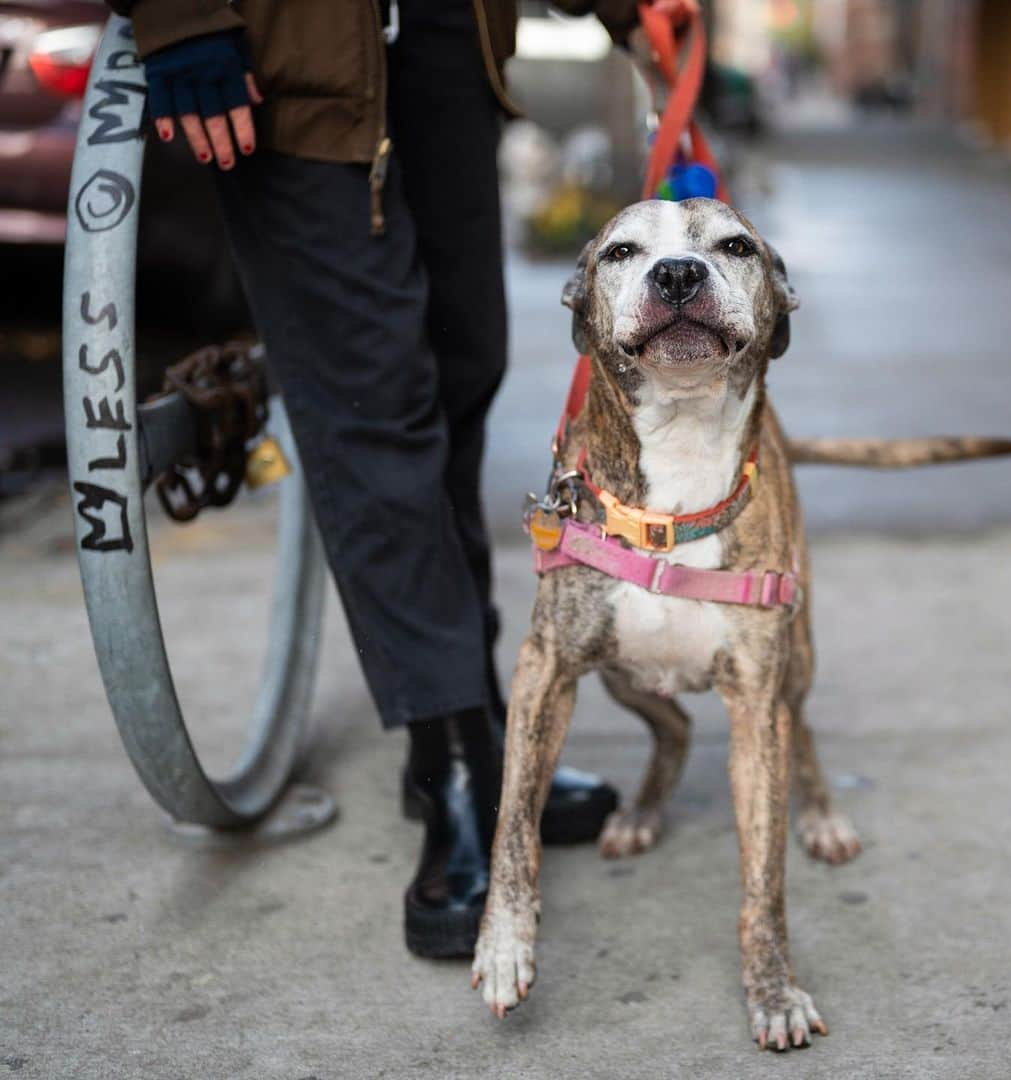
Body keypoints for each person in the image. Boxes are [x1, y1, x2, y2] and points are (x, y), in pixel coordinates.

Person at [107, 0, 647, 959]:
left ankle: (469, 721)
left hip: (450, 35)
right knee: (372, 412)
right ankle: (454, 766)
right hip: (288, 45)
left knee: (461, 377)